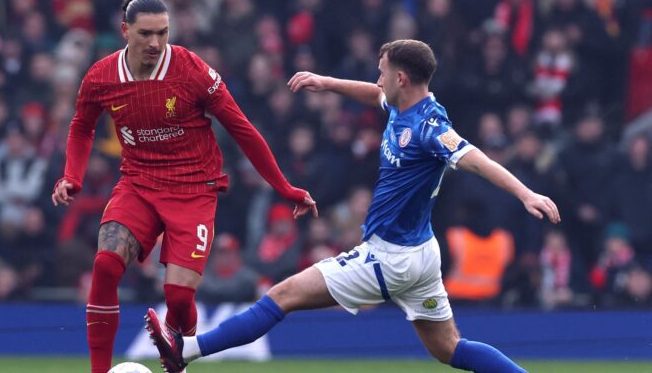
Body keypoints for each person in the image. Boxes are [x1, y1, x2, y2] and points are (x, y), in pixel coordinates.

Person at [146, 39, 560, 373]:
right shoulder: (405, 103)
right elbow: (373, 94)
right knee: (448, 349)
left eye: (381, 72)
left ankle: (186, 350)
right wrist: (326, 82)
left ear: (400, 77)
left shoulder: (429, 127)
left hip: (391, 257)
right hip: (419, 254)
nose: (377, 80)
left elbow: (476, 159)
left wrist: (526, 194)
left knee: (283, 295)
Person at [50, 0, 317, 373]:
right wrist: (72, 176)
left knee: (177, 296)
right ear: (125, 31)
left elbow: (242, 130)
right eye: (146, 33)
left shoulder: (191, 71)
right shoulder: (102, 76)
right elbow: (81, 126)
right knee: (106, 265)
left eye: (163, 32)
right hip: (138, 183)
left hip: (193, 188)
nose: (156, 43)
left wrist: (285, 187)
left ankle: (178, 365)